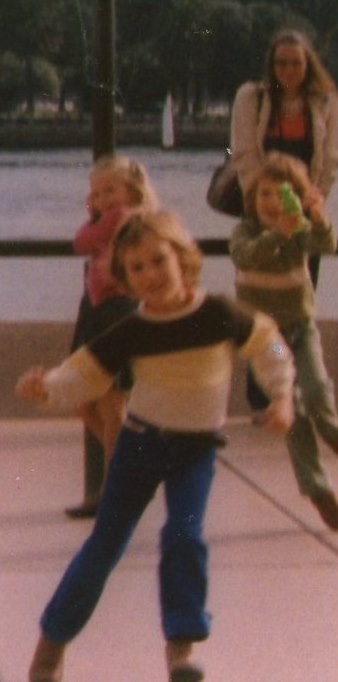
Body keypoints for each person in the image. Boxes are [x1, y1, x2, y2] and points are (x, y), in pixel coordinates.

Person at [17, 210, 295, 682]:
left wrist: (283, 394)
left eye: (158, 261)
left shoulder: (219, 313)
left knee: (184, 536)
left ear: (183, 258)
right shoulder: (133, 330)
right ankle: (50, 649)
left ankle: (181, 648)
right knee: (105, 546)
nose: (150, 274)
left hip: (195, 451)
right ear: (125, 279)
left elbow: (269, 343)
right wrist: (46, 389)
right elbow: (83, 373)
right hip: (141, 445)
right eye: (137, 268)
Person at [230, 152, 338, 531]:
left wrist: (316, 216)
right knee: (293, 411)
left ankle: (336, 434)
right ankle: (318, 488)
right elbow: (248, 256)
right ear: (253, 198)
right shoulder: (245, 232)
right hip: (266, 340)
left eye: (282, 195)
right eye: (265, 195)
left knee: (317, 387)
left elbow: (327, 243)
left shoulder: (299, 228)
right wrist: (279, 232)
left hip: (300, 327)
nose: (272, 203)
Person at [230, 28, 338, 421]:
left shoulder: (325, 101)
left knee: (296, 304)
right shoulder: (252, 97)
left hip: (301, 209)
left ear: (308, 64)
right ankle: (262, 399)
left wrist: (314, 201)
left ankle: (289, 395)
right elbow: (243, 151)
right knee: (259, 305)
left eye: (296, 62)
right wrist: (264, 202)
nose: (289, 70)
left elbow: (330, 157)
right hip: (261, 207)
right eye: (282, 62)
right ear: (271, 65)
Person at [66, 154, 159, 519]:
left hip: (115, 312)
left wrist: (95, 215)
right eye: (96, 192)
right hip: (97, 311)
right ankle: (130, 468)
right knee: (84, 399)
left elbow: (82, 241)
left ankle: (115, 491)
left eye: (110, 190)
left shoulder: (121, 217)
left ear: (131, 190)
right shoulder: (115, 217)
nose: (103, 199)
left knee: (111, 403)